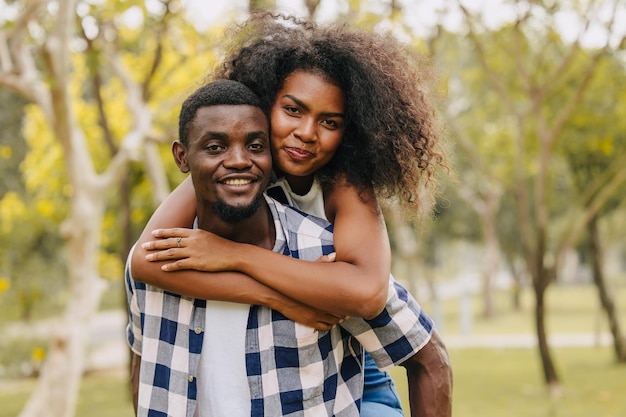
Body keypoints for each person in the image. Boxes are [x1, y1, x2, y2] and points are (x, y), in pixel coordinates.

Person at [132, 13, 452, 417]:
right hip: (304, 321)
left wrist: (235, 255)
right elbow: (144, 261)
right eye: (293, 110)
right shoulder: (232, 168)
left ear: (347, 131)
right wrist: (278, 299)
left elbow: (368, 293)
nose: (306, 132)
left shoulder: (343, 183)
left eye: (329, 121)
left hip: (355, 355)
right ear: (264, 105)